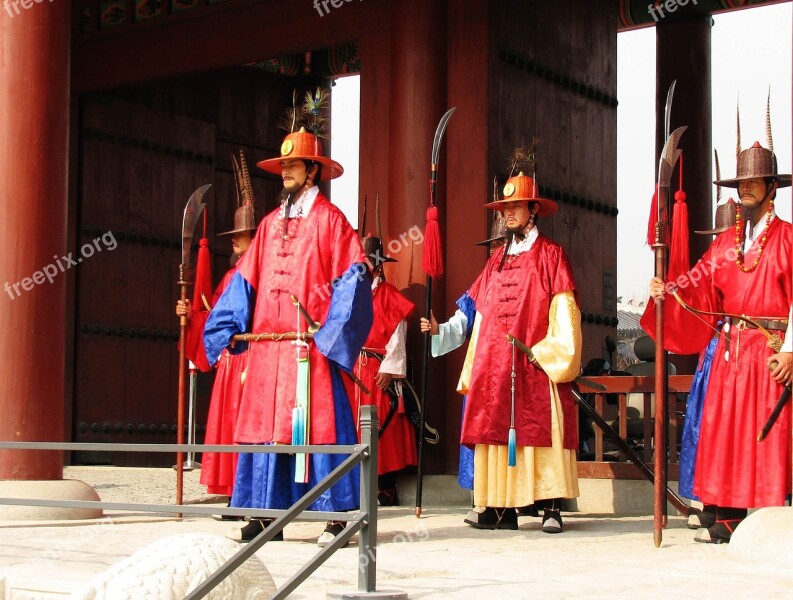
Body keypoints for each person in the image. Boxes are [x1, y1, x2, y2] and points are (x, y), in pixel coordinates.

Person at [204, 125, 373, 545]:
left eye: (293, 165)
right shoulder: (268, 224)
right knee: (265, 427)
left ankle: (338, 516)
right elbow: (245, 279)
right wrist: (225, 324)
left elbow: (354, 278)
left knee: (321, 426)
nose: (285, 172)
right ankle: (264, 514)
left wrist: (330, 334)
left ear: (313, 171)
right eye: (283, 166)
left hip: (307, 348)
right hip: (266, 350)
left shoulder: (331, 222)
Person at [646, 140, 792, 543]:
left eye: (754, 181)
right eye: (740, 181)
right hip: (731, 350)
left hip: (769, 348)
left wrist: (791, 350)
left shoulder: (788, 238)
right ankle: (725, 516)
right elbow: (698, 285)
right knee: (727, 431)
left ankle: (768, 518)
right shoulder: (726, 242)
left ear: (772, 187)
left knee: (765, 433)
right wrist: (668, 288)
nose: (744, 188)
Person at [421, 171, 582, 533]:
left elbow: (564, 311)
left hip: (534, 359)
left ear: (533, 210)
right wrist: (441, 330)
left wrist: (552, 351)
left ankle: (551, 504)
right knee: (495, 430)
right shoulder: (495, 261)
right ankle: (499, 507)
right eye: (505, 207)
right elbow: (475, 314)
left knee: (541, 428)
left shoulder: (551, 255)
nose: (508, 213)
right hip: (494, 364)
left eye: (515, 206)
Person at [176, 150, 257, 502]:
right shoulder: (229, 278)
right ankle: (230, 490)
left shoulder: (265, 276)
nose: (234, 240)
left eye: (241, 235)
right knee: (228, 424)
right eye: (234, 235)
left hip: (254, 359)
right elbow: (213, 322)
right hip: (231, 361)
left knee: (249, 427)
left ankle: (249, 491)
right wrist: (190, 314)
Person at [344, 231, 416, 506]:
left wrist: (390, 368)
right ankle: (355, 486)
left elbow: (399, 333)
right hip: (352, 370)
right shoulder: (347, 294)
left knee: (382, 429)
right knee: (350, 426)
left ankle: (385, 488)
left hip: (377, 370)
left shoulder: (389, 295)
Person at [679, 199, 736, 530]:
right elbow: (688, 293)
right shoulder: (712, 261)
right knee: (703, 429)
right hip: (714, 355)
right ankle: (704, 501)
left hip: (738, 348)